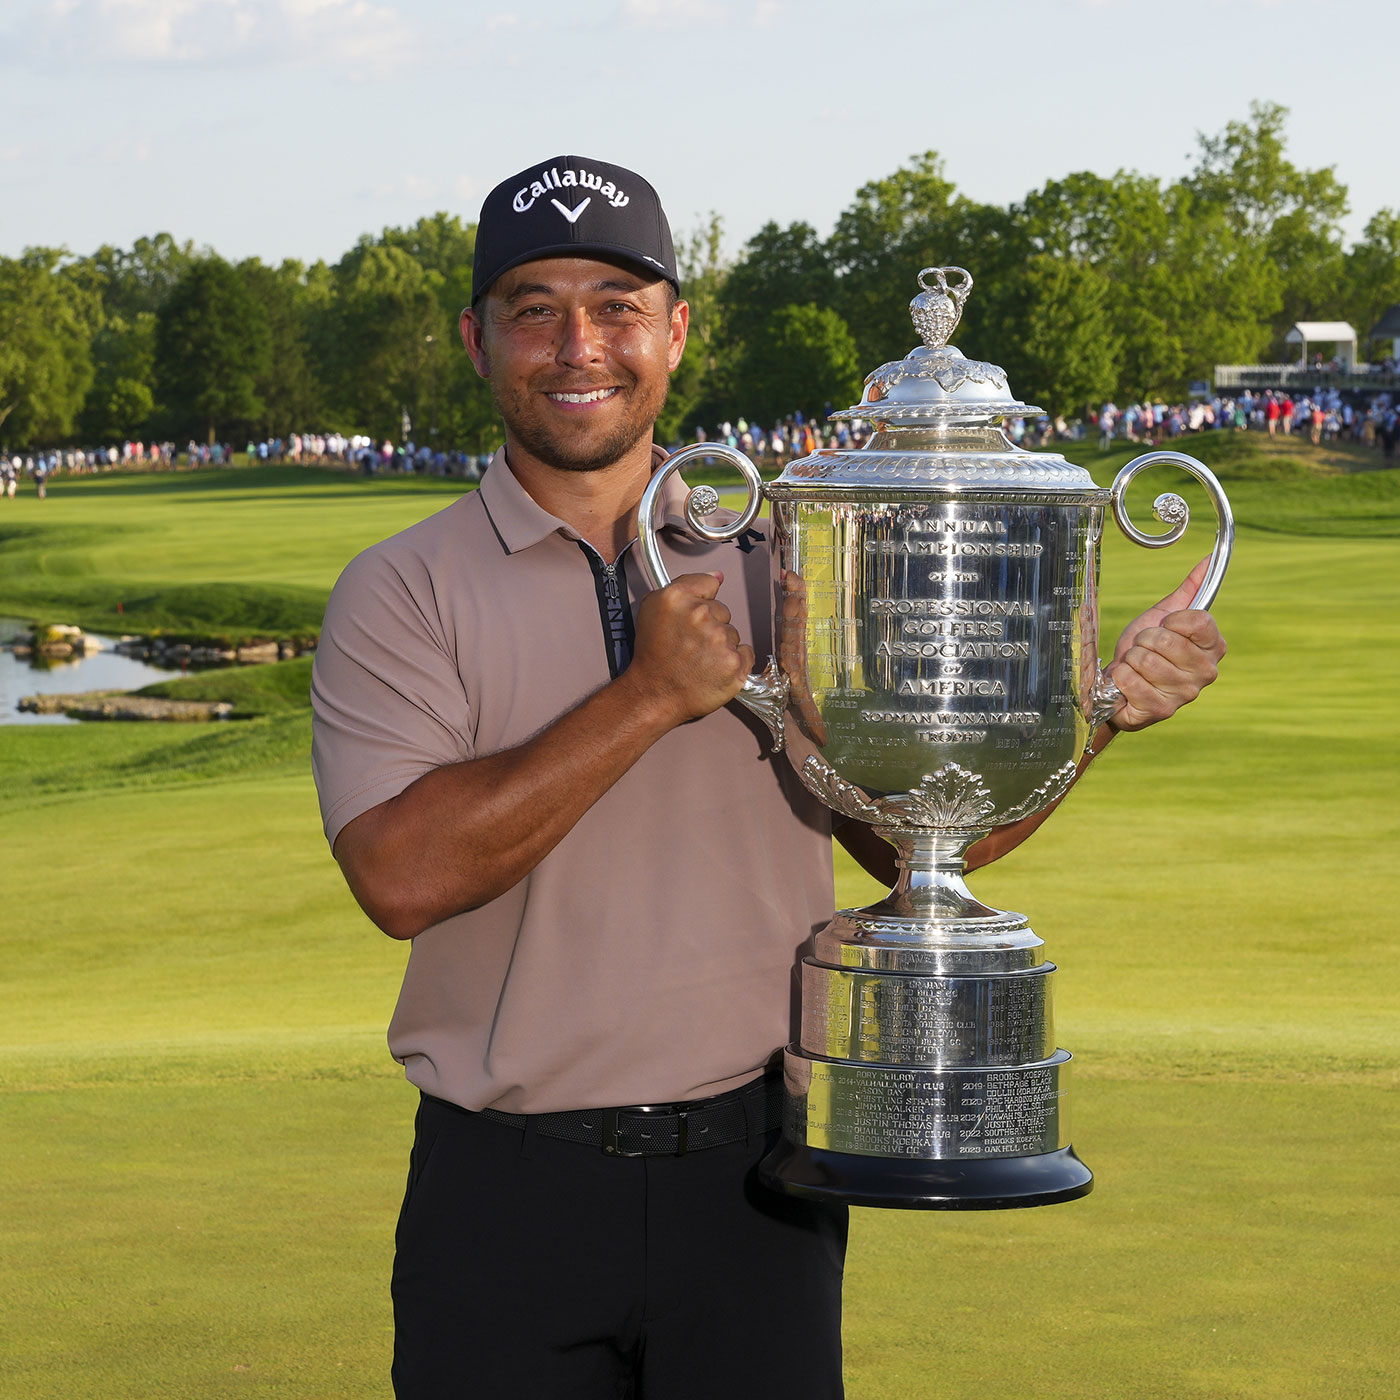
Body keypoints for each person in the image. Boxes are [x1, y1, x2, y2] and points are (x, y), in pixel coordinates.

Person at [310, 154, 1227, 1400]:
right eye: (534, 308)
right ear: (476, 339)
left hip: (758, 1184)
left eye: (617, 307)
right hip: (505, 1193)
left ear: (674, 332)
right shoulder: (401, 585)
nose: (578, 343)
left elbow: (918, 842)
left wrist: (1106, 708)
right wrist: (648, 694)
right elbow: (401, 877)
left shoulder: (789, 550)